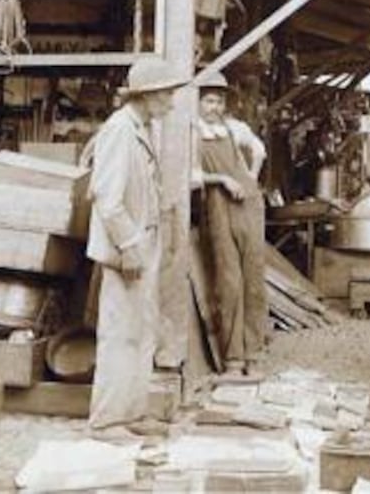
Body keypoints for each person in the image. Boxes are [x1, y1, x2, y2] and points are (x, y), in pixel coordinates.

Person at [86, 56, 183, 440]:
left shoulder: (142, 128)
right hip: (127, 247)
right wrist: (127, 245)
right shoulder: (119, 130)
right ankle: (106, 421)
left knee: (142, 331)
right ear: (147, 95)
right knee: (120, 335)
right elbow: (107, 199)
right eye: (166, 94)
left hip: (144, 242)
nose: (171, 102)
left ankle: (133, 412)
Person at [193, 70, 268, 376]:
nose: (214, 108)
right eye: (209, 101)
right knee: (229, 282)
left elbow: (259, 151)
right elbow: (191, 176)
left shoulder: (235, 128)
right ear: (197, 103)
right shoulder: (191, 133)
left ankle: (254, 355)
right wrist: (222, 179)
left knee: (254, 280)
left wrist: (250, 177)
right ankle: (233, 359)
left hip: (249, 204)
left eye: (219, 102)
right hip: (218, 206)